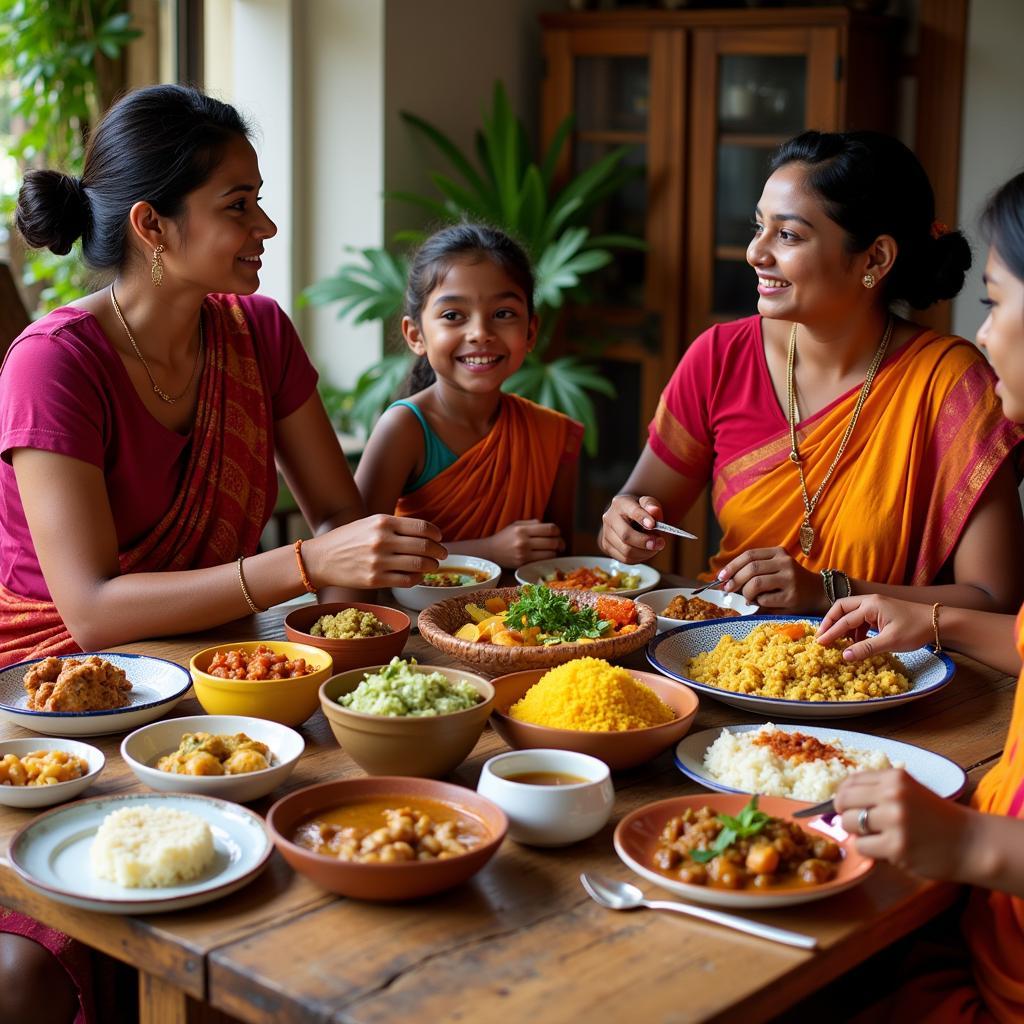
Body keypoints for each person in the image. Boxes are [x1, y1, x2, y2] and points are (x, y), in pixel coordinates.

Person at [0, 84, 446, 1022]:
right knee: (28, 977)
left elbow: (333, 513)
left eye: (260, 199)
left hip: (219, 674)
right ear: (152, 226)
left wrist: (395, 550)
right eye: (237, 205)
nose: (266, 225)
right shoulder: (55, 363)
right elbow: (88, 610)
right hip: (51, 696)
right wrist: (305, 568)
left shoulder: (258, 333)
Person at [600, 130, 1023, 614]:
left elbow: (995, 600)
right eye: (758, 227)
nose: (756, 253)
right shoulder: (719, 357)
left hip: (879, 674)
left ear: (874, 258)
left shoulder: (950, 384)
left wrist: (829, 591)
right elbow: (639, 505)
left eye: (787, 235)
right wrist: (625, 522)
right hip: (718, 654)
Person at [813, 170, 1024, 1022]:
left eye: (999, 299)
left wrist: (969, 840)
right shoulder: (723, 353)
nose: (982, 332)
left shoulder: (938, 377)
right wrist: (932, 618)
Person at [355, 224, 583, 568]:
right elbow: (359, 552)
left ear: (530, 331)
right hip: (415, 616)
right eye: (452, 316)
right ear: (416, 335)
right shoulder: (404, 429)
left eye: (503, 314)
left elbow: (559, 560)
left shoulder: (552, 434)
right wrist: (489, 550)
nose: (480, 333)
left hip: (521, 620)